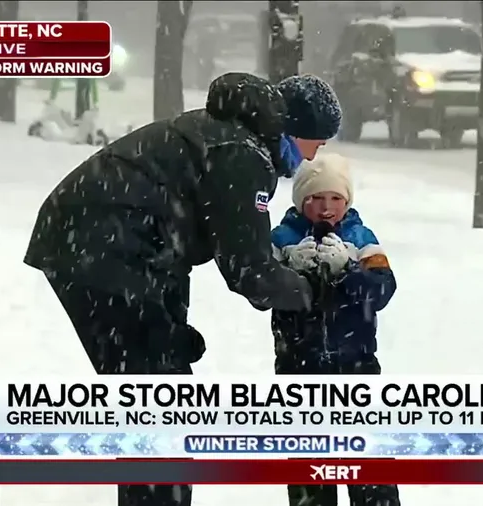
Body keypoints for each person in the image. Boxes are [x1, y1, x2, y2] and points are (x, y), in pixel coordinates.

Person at [22, 72, 340, 506]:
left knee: (156, 395)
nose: (313, 156)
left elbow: (173, 241)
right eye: (316, 144)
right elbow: (249, 269)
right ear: (297, 130)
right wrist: (312, 292)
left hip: (97, 243)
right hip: (99, 248)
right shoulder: (242, 155)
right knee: (159, 404)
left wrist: (171, 325)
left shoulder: (225, 134)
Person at [270, 153, 400, 506]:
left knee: (371, 472)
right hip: (299, 374)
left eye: (335, 199)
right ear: (301, 200)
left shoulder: (362, 239)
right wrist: (291, 272)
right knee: (310, 476)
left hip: (357, 372)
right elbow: (261, 293)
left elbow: (384, 289)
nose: (326, 208)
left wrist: (348, 271)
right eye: (316, 198)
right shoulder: (281, 240)